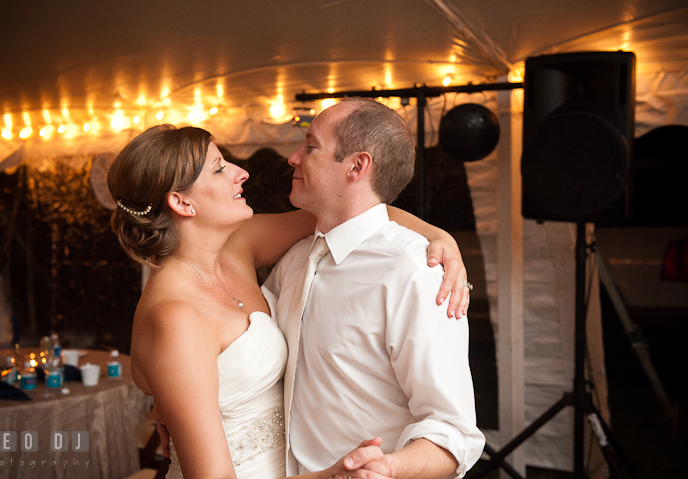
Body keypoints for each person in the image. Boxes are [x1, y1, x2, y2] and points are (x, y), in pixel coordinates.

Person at [107, 124, 470, 479]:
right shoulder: (175, 316)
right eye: (219, 168)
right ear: (182, 202)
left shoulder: (238, 246)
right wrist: (332, 476)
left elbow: (354, 212)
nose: (242, 173)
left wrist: (441, 238)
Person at [262, 97, 485, 478]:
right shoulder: (295, 261)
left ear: (357, 165)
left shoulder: (415, 271)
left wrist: (389, 467)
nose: (293, 158)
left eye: (311, 146)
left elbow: (454, 432)